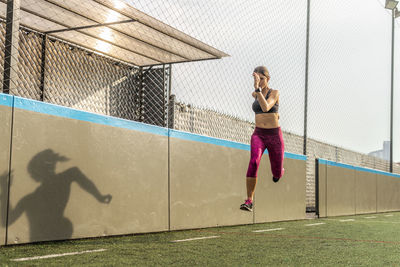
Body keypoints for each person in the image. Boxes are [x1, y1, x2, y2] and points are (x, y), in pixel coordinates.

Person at [240, 66, 285, 212]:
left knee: (276, 171)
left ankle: (279, 172)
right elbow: (258, 101)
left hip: (274, 135)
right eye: (257, 78)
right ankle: (249, 200)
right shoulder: (256, 93)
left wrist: (258, 90)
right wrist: (257, 89)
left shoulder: (275, 93)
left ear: (268, 79)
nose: (259, 82)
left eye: (262, 79)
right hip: (259, 134)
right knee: (254, 161)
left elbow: (266, 107)